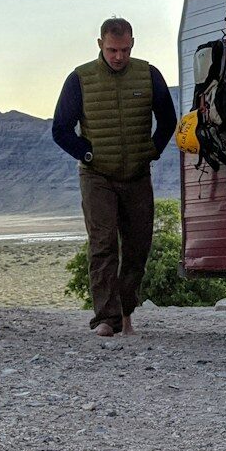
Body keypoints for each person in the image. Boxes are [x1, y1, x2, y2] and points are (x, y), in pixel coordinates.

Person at [51, 18, 177, 337]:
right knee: (103, 244)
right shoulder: (80, 79)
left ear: (132, 43)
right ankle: (106, 318)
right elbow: (60, 130)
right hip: (97, 176)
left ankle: (126, 310)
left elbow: (168, 119)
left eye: (123, 49)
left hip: (137, 174)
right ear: (99, 45)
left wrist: (153, 150)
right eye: (111, 49)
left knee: (137, 246)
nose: (117, 56)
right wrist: (88, 153)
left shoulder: (148, 74)